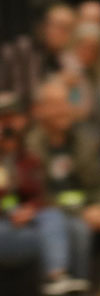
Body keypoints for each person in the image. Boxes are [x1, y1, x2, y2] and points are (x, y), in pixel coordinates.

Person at [0, 92, 90, 295]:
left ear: (23, 120)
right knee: (50, 237)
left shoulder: (27, 156)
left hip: (22, 222)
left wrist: (29, 210)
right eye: (2, 119)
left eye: (13, 118)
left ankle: (61, 282)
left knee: (63, 222)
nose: (9, 124)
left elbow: (38, 195)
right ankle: (56, 279)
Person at [26, 78, 100, 235]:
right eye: (55, 105)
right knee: (79, 230)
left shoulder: (85, 142)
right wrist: (81, 212)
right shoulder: (29, 147)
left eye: (67, 102)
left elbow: (95, 184)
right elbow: (37, 195)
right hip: (50, 215)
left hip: (89, 210)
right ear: (39, 110)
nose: (63, 110)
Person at [0, 3, 76, 107]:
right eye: (59, 27)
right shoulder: (21, 50)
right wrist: (55, 82)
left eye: (68, 29)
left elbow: (75, 100)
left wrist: (73, 92)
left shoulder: (66, 59)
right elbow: (22, 95)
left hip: (57, 116)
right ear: (43, 26)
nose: (62, 34)